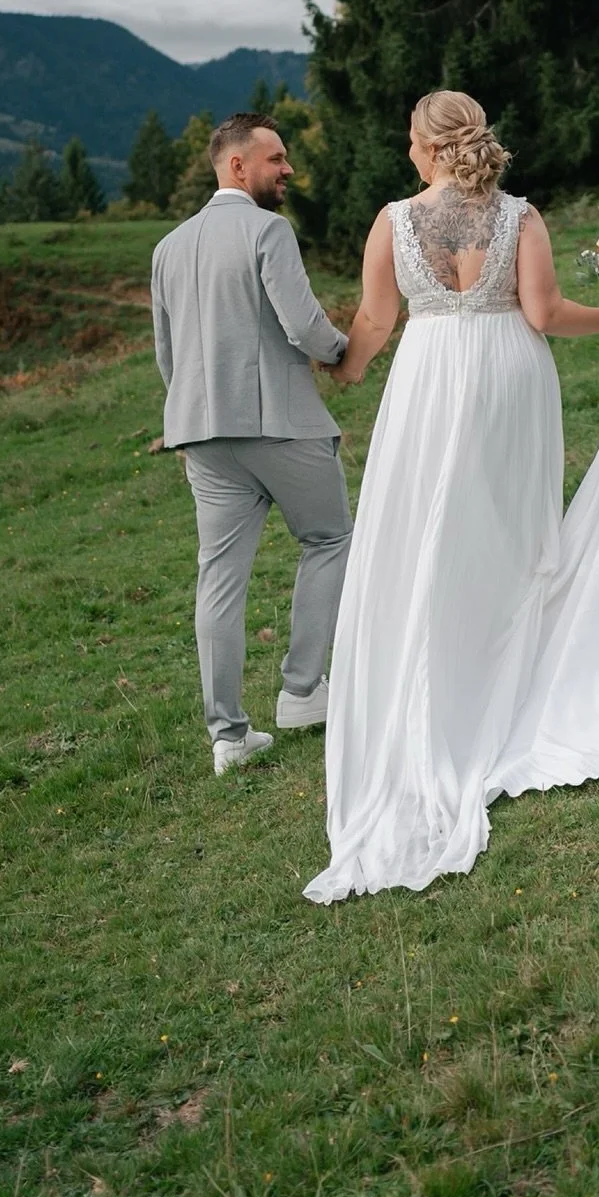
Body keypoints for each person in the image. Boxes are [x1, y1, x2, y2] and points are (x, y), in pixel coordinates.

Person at [304, 91, 599, 902]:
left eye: (410, 140)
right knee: (513, 530)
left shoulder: (392, 221)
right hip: (509, 376)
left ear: (423, 146)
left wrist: (345, 369)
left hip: (428, 381)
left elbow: (376, 318)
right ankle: (511, 659)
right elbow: (545, 315)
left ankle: (441, 666)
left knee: (426, 532)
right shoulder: (520, 214)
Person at [151, 112, 351, 774]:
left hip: (200, 434)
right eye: (276, 159)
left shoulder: (169, 247)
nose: (287, 168)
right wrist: (342, 353)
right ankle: (301, 691)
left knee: (219, 577)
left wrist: (186, 420)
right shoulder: (269, 230)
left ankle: (228, 738)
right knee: (327, 538)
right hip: (278, 423)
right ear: (237, 165)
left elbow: (167, 352)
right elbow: (304, 324)